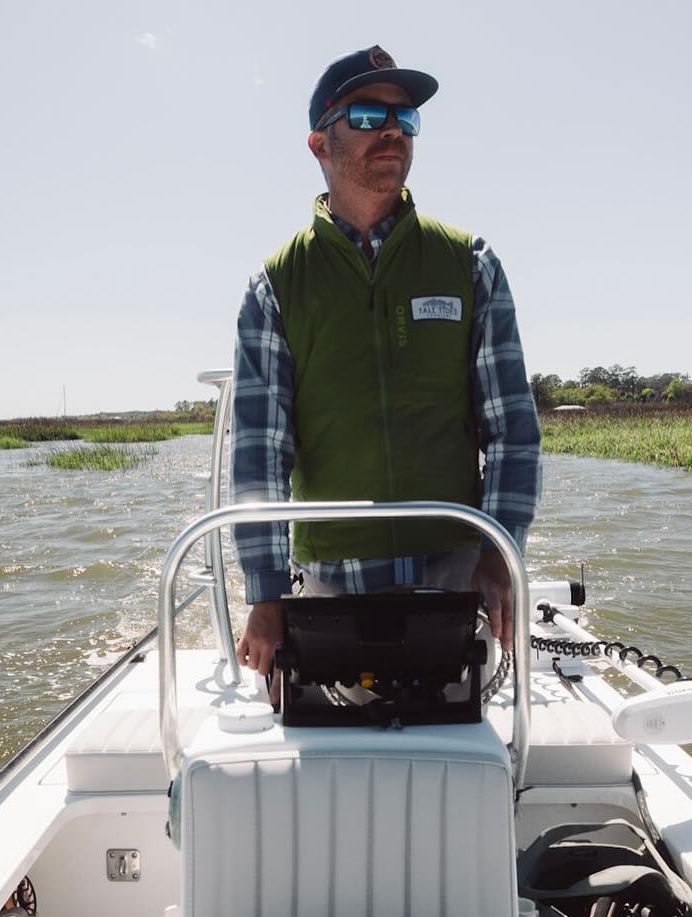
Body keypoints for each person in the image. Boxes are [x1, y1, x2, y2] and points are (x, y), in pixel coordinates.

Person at [230, 45, 541, 686]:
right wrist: (266, 592)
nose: (393, 130)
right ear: (320, 144)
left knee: (459, 733)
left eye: (406, 118)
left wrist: (499, 553)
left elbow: (513, 429)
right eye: (369, 115)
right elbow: (260, 453)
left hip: (458, 575)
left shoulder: (470, 264)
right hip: (332, 582)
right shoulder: (277, 285)